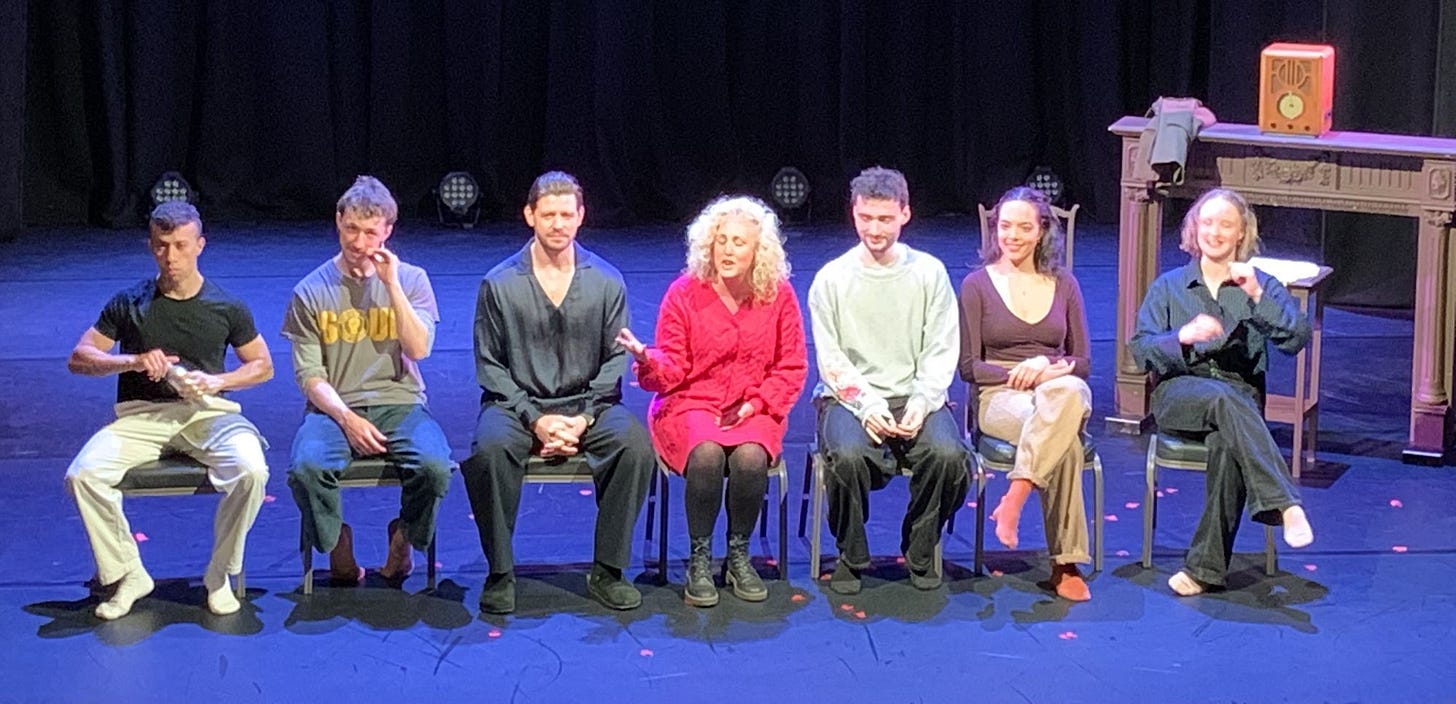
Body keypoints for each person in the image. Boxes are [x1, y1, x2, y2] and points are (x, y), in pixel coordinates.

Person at [65, 201, 273, 619]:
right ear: (151, 246)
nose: (170, 256)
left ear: (199, 245)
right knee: (83, 475)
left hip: (208, 413)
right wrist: (132, 361)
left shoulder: (226, 305)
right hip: (143, 415)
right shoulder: (130, 302)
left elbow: (263, 366)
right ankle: (129, 573)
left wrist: (217, 381)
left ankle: (219, 573)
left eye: (180, 245)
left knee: (252, 471)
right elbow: (80, 357)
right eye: (162, 246)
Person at [462, 171, 654, 614]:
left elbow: (615, 359)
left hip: (590, 405)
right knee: (489, 450)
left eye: (567, 214)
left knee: (634, 446)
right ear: (529, 215)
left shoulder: (606, 280)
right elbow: (490, 365)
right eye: (548, 214)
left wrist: (582, 418)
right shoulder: (499, 283)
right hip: (516, 406)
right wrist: (536, 419)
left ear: (581, 216)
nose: (558, 224)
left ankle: (608, 569)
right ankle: (500, 572)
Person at [617, 195, 808, 607]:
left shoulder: (778, 295)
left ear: (758, 251)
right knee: (706, 454)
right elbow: (673, 369)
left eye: (739, 242)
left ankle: (738, 555)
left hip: (753, 406)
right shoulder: (684, 293)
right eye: (721, 240)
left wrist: (757, 404)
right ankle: (700, 558)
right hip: (690, 403)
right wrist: (647, 358)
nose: (728, 250)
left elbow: (791, 366)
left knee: (750, 458)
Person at [1129, 187, 1314, 596]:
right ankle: (1285, 502)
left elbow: (1297, 338)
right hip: (1180, 393)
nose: (1214, 232)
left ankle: (1204, 571)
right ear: (1194, 228)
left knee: (1229, 443)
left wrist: (1257, 296)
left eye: (1225, 225)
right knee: (1223, 399)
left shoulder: (1259, 284)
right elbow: (1140, 350)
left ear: (1241, 233)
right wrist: (1182, 336)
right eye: (1207, 223)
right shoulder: (1170, 286)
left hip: (1239, 397)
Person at [283, 176, 453, 587]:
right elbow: (309, 375)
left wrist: (390, 284)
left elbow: (418, 349)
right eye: (351, 229)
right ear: (338, 222)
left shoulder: (411, 280)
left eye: (370, 232)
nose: (359, 242)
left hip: (402, 403)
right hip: (334, 408)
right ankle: (337, 542)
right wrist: (347, 418)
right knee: (306, 467)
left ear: (388, 231)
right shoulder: (310, 290)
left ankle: (403, 539)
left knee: (434, 467)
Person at [808, 166, 969, 595]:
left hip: (914, 394)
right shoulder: (831, 278)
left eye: (885, 218)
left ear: (905, 214)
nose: (875, 229)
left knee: (949, 456)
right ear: (854, 213)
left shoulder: (929, 273)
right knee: (846, 456)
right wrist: (867, 405)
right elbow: (831, 359)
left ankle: (920, 545)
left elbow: (941, 347)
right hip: (848, 398)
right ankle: (850, 554)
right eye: (866, 218)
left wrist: (922, 401)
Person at [958, 186, 1094, 601]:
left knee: (1069, 390)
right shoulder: (976, 285)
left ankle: (1015, 496)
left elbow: (1082, 362)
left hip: (1056, 390)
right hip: (999, 396)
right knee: (1066, 441)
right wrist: (1021, 373)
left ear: (1041, 231)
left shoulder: (1064, 283)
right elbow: (969, 367)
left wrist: (1046, 368)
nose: (1012, 236)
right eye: (1005, 226)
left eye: (1023, 227)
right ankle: (1065, 565)